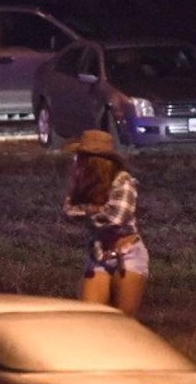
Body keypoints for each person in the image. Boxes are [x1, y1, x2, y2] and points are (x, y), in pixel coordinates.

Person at [62, 129, 148, 316]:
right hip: (99, 254)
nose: (76, 162)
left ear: (94, 162)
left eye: (81, 157)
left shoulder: (123, 181)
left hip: (128, 254)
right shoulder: (82, 182)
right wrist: (99, 210)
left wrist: (87, 210)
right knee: (89, 317)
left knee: (123, 321)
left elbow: (116, 219)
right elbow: (68, 211)